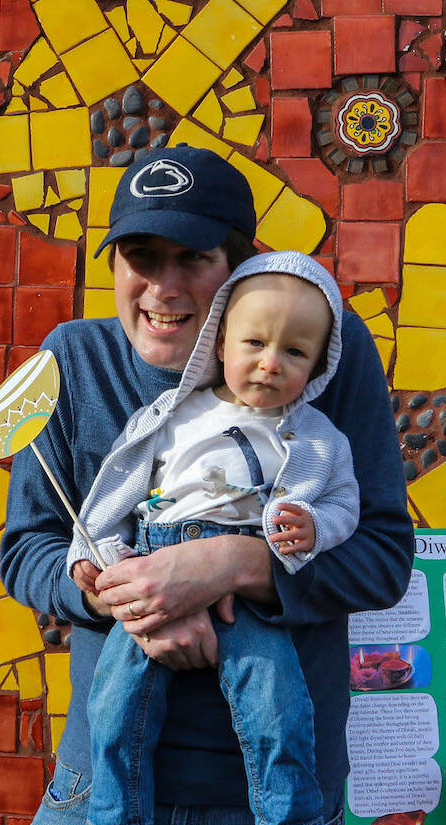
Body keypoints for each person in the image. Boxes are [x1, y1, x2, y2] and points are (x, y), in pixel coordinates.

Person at [1, 143, 415, 824]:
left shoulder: (321, 354)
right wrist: (129, 598)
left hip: (278, 798)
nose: (163, 287)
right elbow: (27, 551)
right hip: (96, 788)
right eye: (141, 257)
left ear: (240, 266)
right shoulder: (73, 359)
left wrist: (236, 563)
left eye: (192, 258)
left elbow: (383, 558)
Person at [70, 250, 360, 825]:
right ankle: (111, 812)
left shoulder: (317, 438)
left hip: (250, 593)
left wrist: (314, 529)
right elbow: (117, 493)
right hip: (151, 561)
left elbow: (345, 505)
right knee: (113, 707)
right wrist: (95, 559)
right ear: (221, 341)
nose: (270, 364)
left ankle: (288, 813)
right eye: (254, 343)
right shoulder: (172, 414)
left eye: (295, 352)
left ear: (319, 367)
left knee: (276, 703)